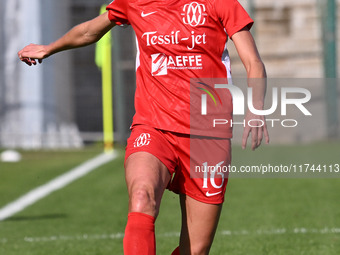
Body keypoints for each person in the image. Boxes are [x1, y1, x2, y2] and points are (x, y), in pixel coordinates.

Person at [18, 0, 269, 254]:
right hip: (153, 126)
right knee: (141, 197)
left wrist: (256, 108)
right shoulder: (133, 2)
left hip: (208, 136)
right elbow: (89, 31)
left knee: (195, 250)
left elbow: (253, 62)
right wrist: (48, 48)